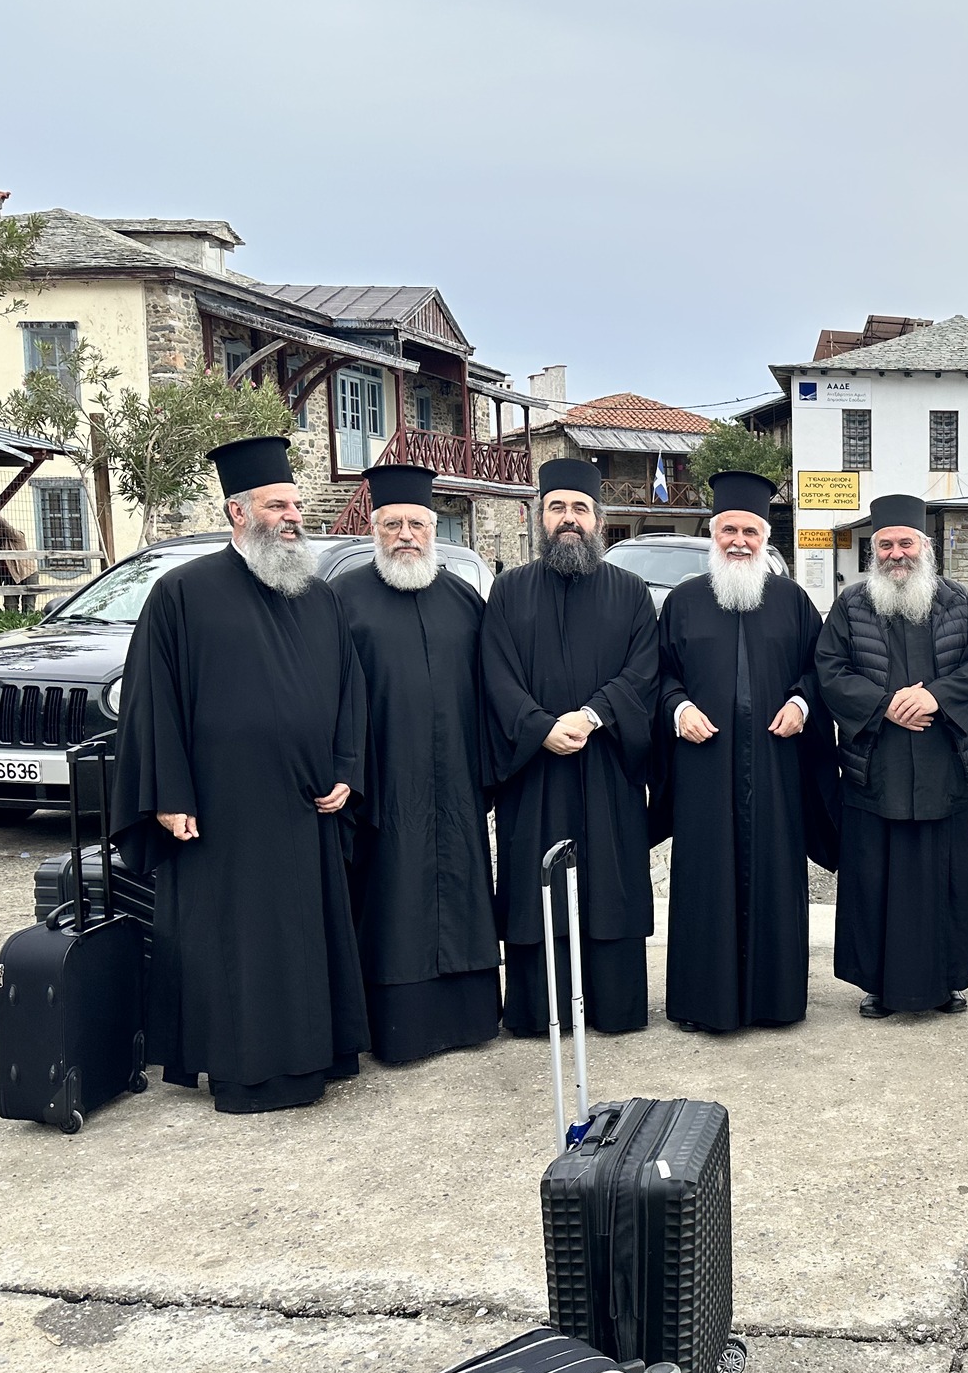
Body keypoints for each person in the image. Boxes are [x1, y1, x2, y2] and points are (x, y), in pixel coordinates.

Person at [110, 435, 368, 1113]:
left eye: (295, 504)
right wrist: (168, 794)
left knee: (304, 938)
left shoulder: (318, 596)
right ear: (237, 512)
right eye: (276, 505)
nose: (292, 516)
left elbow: (351, 691)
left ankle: (318, 1056)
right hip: (222, 814)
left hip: (307, 808)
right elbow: (152, 702)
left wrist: (347, 769)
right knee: (237, 945)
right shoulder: (181, 593)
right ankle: (243, 1073)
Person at [482, 459, 659, 1036]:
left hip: (606, 765)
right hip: (535, 769)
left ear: (598, 520)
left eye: (580, 508)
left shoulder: (630, 592)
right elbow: (495, 673)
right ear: (540, 516)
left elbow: (644, 670)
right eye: (557, 507)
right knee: (537, 885)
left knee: (609, 883)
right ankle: (539, 1012)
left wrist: (591, 715)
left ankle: (614, 1007)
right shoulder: (508, 590)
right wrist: (539, 727)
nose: (568, 518)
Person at [657, 470, 837, 1034]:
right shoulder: (684, 601)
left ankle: (774, 1000)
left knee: (774, 875)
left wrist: (802, 704)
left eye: (750, 531)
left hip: (777, 765)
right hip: (703, 766)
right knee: (705, 878)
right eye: (729, 530)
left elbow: (820, 670)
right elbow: (658, 676)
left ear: (766, 538)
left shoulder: (793, 601)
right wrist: (678, 709)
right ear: (712, 534)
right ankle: (701, 1002)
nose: (739, 541)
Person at [332, 465, 500, 1064]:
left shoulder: (463, 598)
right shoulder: (342, 599)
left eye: (417, 524)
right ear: (373, 528)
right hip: (384, 779)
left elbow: (491, 686)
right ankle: (398, 1028)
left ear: (434, 529)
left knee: (462, 887)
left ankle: (470, 1018)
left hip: (457, 776)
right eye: (393, 524)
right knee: (391, 898)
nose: (406, 534)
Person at [815, 494, 968, 1019]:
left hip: (944, 764)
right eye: (885, 545)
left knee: (944, 876)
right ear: (874, 551)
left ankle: (946, 981)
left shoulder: (959, 603)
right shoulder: (852, 604)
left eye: (905, 543)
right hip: (876, 766)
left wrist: (936, 697)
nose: (896, 554)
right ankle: (877, 984)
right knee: (874, 878)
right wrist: (885, 706)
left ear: (925, 545)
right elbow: (829, 669)